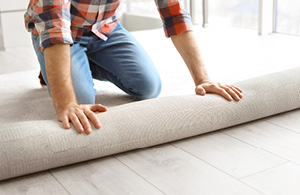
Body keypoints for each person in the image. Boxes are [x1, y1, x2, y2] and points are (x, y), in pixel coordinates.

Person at [24, 0, 242, 135]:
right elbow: (54, 26)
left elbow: (174, 14)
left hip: (105, 27)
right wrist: (66, 102)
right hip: (60, 30)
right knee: (80, 102)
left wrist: (203, 79)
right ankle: (51, 65)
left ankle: (71, 65)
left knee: (148, 87)